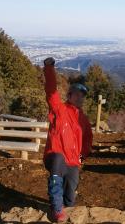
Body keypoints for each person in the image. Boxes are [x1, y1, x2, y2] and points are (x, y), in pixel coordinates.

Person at [43, 57, 93, 222]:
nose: (79, 98)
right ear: (69, 95)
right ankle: (56, 207)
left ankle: (66, 209)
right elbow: (51, 91)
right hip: (55, 155)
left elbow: (87, 139)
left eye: (82, 96)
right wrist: (49, 68)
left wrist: (82, 156)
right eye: (76, 95)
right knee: (58, 158)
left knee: (71, 193)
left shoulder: (83, 119)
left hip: (73, 161)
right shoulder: (59, 109)